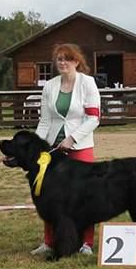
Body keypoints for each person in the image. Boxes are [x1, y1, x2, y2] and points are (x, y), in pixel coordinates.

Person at [31, 43, 101, 256]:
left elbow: (93, 118)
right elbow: (45, 120)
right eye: (59, 59)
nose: (62, 62)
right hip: (53, 148)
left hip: (80, 147)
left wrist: (72, 138)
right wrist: (37, 146)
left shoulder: (87, 83)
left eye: (67, 59)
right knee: (50, 195)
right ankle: (49, 241)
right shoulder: (49, 86)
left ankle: (86, 243)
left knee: (83, 196)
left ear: (76, 62)